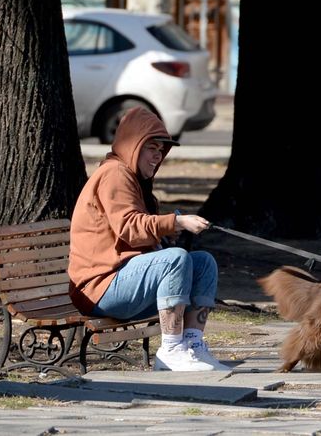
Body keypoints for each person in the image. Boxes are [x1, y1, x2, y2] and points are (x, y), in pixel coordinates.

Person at [68, 106, 227, 371]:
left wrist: (166, 230)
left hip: (122, 280)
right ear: (133, 146)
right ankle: (171, 350)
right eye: (151, 148)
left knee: (203, 263)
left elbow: (138, 234)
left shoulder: (134, 179)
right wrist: (175, 222)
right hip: (99, 288)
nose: (158, 156)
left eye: (161, 149)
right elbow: (129, 227)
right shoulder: (115, 174)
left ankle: (192, 345)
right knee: (175, 260)